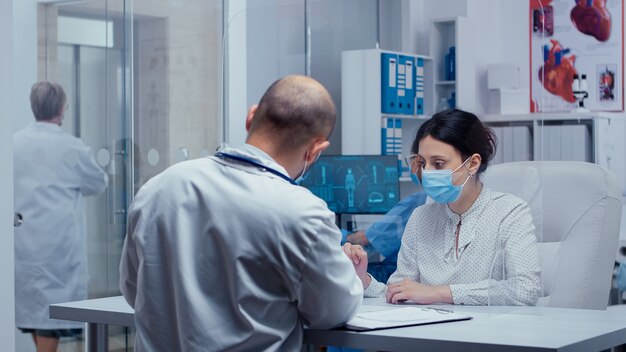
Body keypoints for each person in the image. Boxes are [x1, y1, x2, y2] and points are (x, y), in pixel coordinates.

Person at [119, 75, 366, 351]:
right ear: (315, 149)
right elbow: (332, 312)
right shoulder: (303, 213)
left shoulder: (157, 188)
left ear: (251, 117)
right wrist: (350, 276)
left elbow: (133, 289)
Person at [345, 109, 541, 306]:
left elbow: (526, 290)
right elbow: (400, 292)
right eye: (422, 163)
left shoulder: (510, 212)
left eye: (438, 164)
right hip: (430, 331)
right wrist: (363, 280)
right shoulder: (421, 217)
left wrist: (439, 293)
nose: (426, 172)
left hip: (488, 333)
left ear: (472, 164)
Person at [14, 81, 109, 352]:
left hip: (23, 250)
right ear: (61, 108)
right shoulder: (71, 148)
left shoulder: (13, 144)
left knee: (37, 320)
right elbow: (98, 183)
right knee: (48, 322)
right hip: (57, 254)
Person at [344, 191, 427, 283]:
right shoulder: (426, 202)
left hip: (392, 274)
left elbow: (367, 239)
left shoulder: (419, 201)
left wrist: (345, 237)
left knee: (347, 271)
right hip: (405, 277)